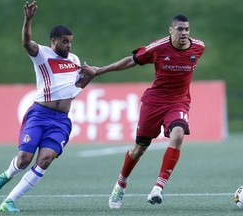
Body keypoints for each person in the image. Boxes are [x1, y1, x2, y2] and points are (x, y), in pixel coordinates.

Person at [79, 14, 205, 209]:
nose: (184, 33)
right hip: (154, 103)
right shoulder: (158, 47)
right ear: (170, 30)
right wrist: (99, 70)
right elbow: (130, 61)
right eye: (179, 29)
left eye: (187, 29)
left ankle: (158, 188)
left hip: (178, 103)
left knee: (178, 135)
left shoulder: (198, 47)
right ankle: (121, 183)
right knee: (139, 149)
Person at [0, 1, 91, 212]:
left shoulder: (74, 59)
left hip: (61, 120)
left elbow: (76, 87)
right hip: (39, 115)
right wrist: (28, 19)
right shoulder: (42, 54)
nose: (69, 46)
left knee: (45, 160)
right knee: (25, 159)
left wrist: (88, 78)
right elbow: (26, 42)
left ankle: (9, 200)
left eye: (71, 42)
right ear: (53, 41)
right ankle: (8, 173)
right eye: (64, 42)